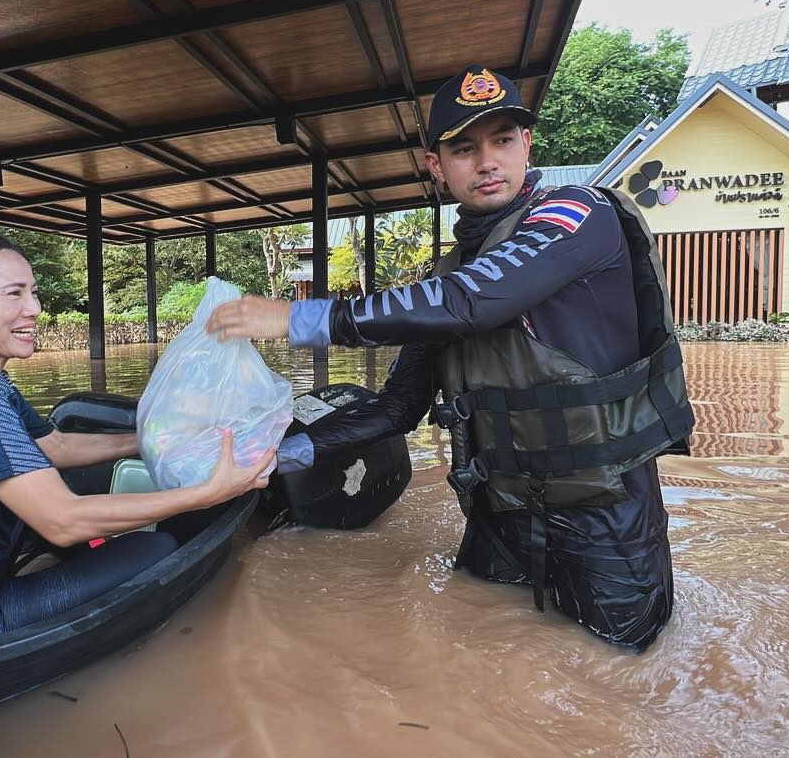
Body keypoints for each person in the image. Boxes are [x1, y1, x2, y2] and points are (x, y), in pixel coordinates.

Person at [208, 66, 695, 651]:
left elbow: (475, 300)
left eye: (502, 141)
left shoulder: (576, 216)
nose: (487, 161)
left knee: (621, 682)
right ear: (436, 167)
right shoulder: (446, 283)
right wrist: (268, 461)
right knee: (472, 654)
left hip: (607, 520)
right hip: (499, 519)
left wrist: (298, 318)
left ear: (527, 146)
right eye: (464, 149)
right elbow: (395, 410)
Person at [0, 229, 275, 642]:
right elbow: (61, 521)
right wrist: (210, 492)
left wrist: (156, 439)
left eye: (33, 291)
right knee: (155, 548)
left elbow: (54, 446)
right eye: (14, 294)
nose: (35, 308)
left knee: (55, 490)